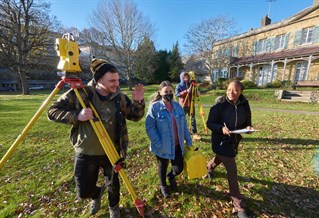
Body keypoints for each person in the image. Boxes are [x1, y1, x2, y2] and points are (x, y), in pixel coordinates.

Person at [47, 58, 145, 217]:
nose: (116, 84)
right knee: (83, 191)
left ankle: (114, 208)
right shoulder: (81, 94)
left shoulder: (119, 98)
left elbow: (136, 116)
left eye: (118, 80)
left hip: (111, 152)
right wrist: (77, 115)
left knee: (113, 185)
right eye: (112, 80)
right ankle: (96, 194)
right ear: (99, 80)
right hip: (86, 152)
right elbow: (52, 112)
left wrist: (138, 101)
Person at [206, 80, 252, 218]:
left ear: (241, 92)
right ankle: (238, 204)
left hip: (234, 141)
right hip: (221, 141)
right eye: (229, 89)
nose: (231, 92)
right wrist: (221, 128)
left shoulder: (244, 104)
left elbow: (247, 122)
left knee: (220, 158)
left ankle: (209, 167)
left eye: (235, 90)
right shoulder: (219, 105)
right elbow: (210, 123)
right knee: (232, 170)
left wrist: (248, 128)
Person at [145, 81, 192, 198]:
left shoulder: (177, 106)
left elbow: (184, 124)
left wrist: (188, 139)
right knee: (163, 166)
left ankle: (171, 176)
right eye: (166, 92)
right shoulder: (154, 107)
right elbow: (150, 127)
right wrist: (158, 143)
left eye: (171, 92)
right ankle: (163, 186)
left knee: (178, 168)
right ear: (160, 93)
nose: (169, 94)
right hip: (162, 145)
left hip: (177, 145)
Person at [175, 71, 201, 140]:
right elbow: (177, 94)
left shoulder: (191, 84)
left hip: (191, 105)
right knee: (182, 119)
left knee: (193, 119)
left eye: (187, 77)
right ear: (182, 78)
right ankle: (181, 132)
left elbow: (194, 93)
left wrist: (197, 93)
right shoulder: (179, 85)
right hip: (183, 105)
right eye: (184, 77)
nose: (186, 78)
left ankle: (194, 132)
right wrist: (186, 91)